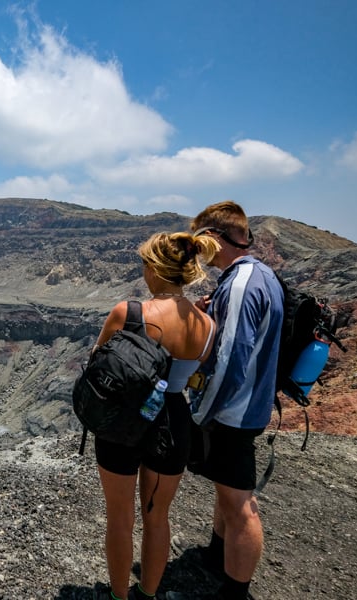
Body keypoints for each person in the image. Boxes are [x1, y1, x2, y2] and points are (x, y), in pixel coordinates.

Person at [94, 231, 219, 600]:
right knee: (157, 516)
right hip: (174, 421)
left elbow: (98, 364)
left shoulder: (129, 313)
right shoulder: (207, 325)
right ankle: (147, 595)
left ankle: (118, 595)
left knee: (120, 517)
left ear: (154, 269)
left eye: (145, 264)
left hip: (123, 422)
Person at [172, 201, 285, 600]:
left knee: (239, 503)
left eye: (197, 243)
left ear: (212, 240)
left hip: (232, 412)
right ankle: (216, 554)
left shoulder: (239, 284)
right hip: (246, 406)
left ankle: (235, 592)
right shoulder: (258, 275)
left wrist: (202, 414)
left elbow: (232, 357)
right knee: (226, 489)